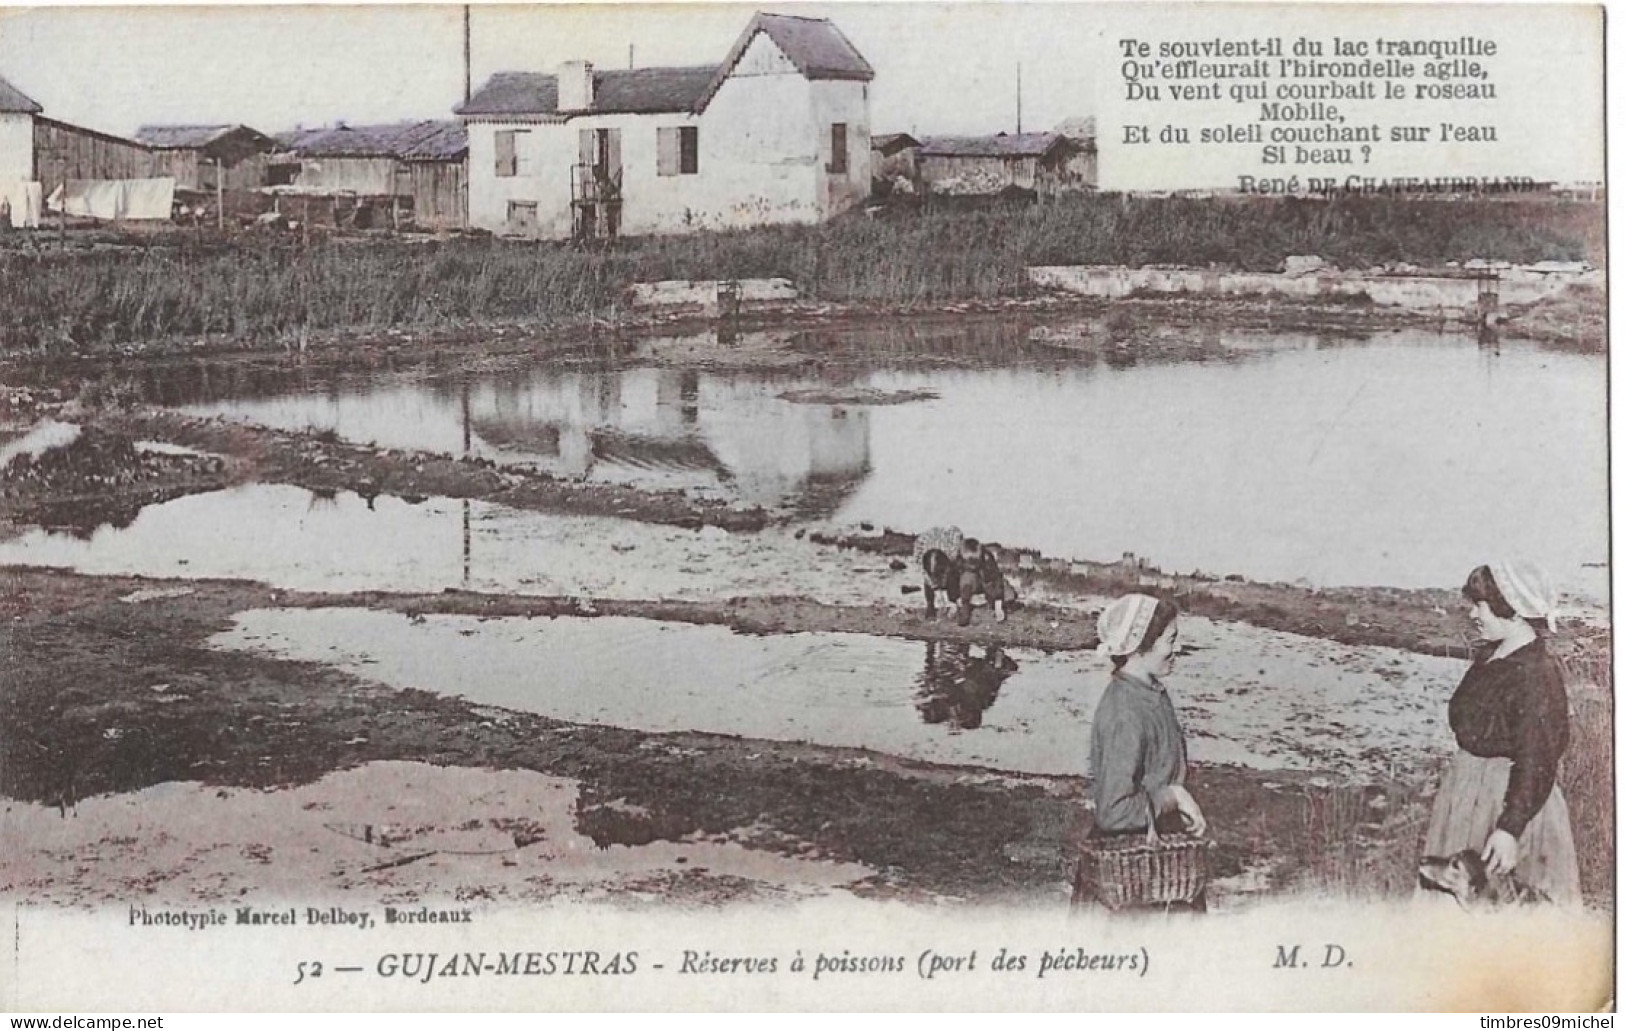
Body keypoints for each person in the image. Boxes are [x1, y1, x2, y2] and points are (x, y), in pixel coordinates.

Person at [1421, 561, 1580, 905]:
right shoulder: (1493, 655)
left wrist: (1509, 828)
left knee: (1501, 914)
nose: (1473, 614)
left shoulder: (1535, 673)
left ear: (1512, 609)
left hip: (1505, 801)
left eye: (1480, 605)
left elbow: (1537, 758)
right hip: (1468, 793)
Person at [1088, 593, 1206, 839]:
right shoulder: (1125, 712)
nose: (1178, 649)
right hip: (1129, 856)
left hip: (1154, 845)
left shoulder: (1148, 692)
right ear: (1141, 645)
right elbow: (1113, 812)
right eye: (1170, 640)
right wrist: (1172, 797)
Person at [954, 538, 1018, 626]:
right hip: (969, 585)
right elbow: (953, 579)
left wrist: (998, 605)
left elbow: (996, 579)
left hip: (985, 582)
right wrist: (956, 598)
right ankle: (965, 609)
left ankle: (1000, 604)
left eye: (975, 561)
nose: (972, 565)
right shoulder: (959, 560)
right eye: (969, 562)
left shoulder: (987, 558)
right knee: (967, 577)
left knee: (1009, 595)